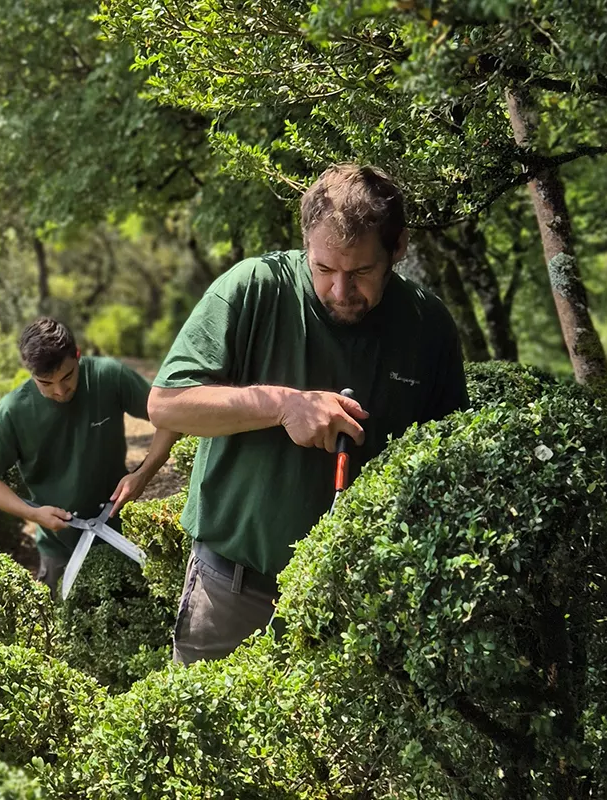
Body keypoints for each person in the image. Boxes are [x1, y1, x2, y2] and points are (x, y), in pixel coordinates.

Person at [149, 163, 469, 664]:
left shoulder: (428, 326)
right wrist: (284, 405)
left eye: (361, 272)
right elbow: (167, 403)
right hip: (232, 591)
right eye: (324, 269)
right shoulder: (255, 288)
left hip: (361, 606)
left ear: (398, 248)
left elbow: (447, 464)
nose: (341, 291)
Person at [0, 317, 179, 596]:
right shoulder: (13, 411)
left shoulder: (108, 376)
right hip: (59, 547)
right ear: (30, 373)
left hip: (119, 534)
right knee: (62, 628)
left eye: (67, 376)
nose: (59, 390)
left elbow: (172, 417)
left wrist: (143, 474)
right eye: (45, 383)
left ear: (77, 355)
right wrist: (33, 514)